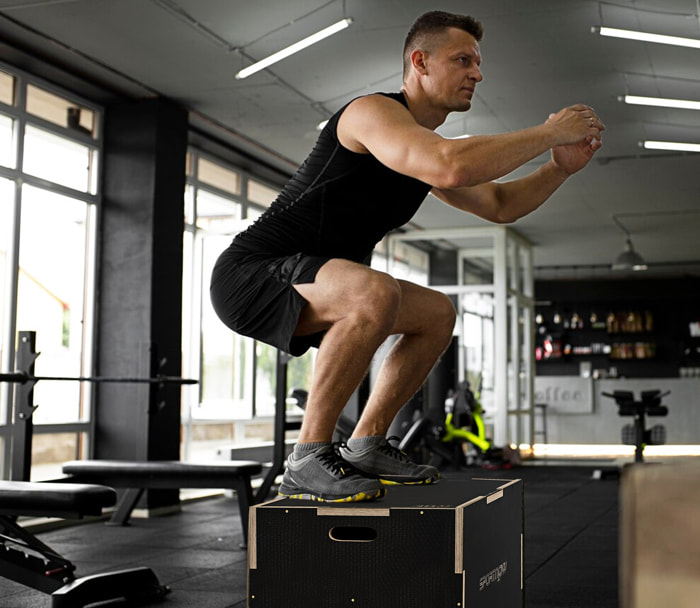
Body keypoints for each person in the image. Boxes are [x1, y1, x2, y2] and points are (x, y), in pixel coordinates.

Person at [210, 10, 604, 502]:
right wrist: (549, 132)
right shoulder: (370, 113)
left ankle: (365, 442)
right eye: (463, 60)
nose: (477, 74)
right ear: (420, 61)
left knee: (437, 313)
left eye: (478, 64)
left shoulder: (420, 153)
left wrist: (558, 168)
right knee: (375, 291)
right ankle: (307, 457)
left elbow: (501, 205)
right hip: (251, 274)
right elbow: (450, 165)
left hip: (316, 279)